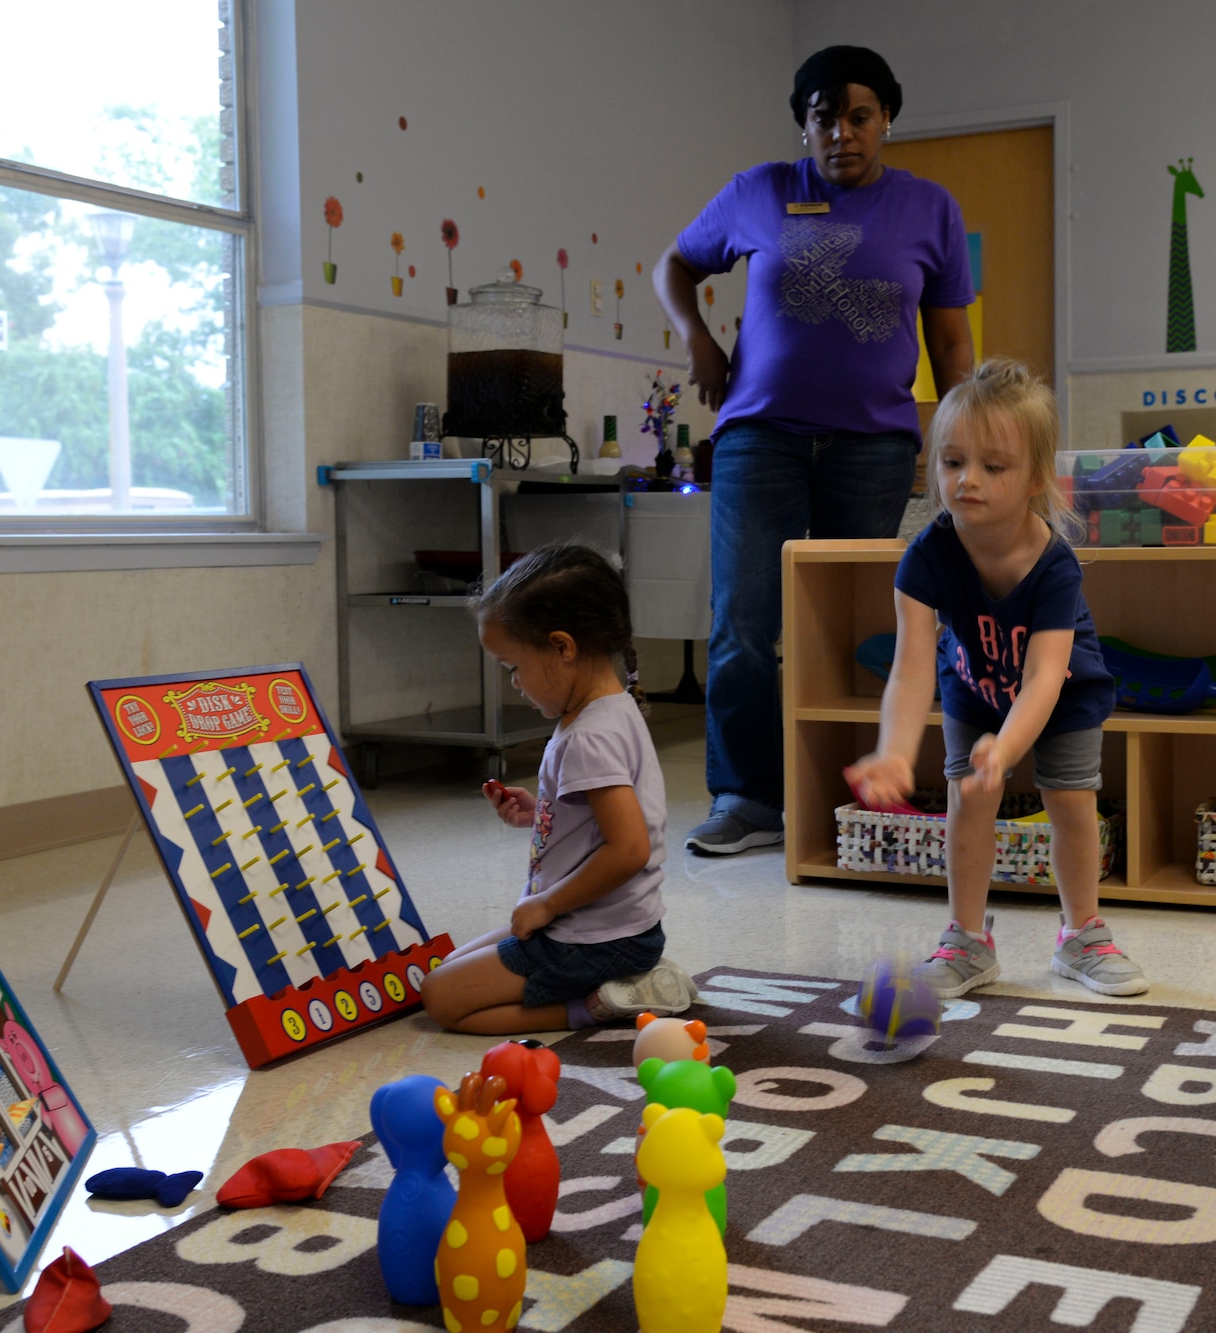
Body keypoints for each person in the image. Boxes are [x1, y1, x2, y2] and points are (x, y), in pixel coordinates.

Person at [655, 44, 976, 856]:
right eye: (823, 117)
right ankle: (747, 796)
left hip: (873, 444)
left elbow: (950, 340)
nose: (841, 132)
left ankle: (854, 786)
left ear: (886, 120)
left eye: (858, 116)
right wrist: (697, 338)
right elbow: (676, 265)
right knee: (744, 624)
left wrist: (966, 443)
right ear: (804, 125)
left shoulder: (930, 209)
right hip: (759, 439)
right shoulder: (758, 191)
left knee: (853, 622)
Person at [845, 360, 1145, 999]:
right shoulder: (926, 557)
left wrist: (1006, 751)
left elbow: (1042, 676)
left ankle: (1082, 934)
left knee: (1069, 801)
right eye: (952, 463)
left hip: (1062, 693)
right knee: (970, 800)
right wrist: (895, 752)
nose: (967, 480)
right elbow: (910, 666)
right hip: (974, 685)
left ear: (1035, 478)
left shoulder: (1055, 563)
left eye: (993, 466)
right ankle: (967, 940)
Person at [422, 544, 695, 1034]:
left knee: (441, 998)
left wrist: (546, 904)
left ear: (562, 647)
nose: (516, 684)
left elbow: (629, 848)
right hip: (609, 928)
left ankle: (604, 1004)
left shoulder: (590, 733)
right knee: (444, 969)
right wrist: (542, 811)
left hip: (591, 938)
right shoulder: (608, 709)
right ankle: (624, 981)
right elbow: (602, 816)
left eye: (514, 667)